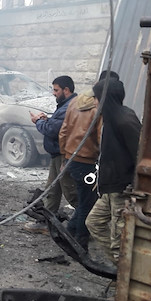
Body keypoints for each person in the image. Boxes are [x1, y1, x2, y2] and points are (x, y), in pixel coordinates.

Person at [86, 78, 141, 262]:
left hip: (121, 190)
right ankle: (119, 270)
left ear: (105, 98)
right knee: (93, 223)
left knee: (119, 243)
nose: (94, 101)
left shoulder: (125, 120)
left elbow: (139, 156)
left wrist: (133, 187)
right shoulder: (108, 119)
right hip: (108, 189)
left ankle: (123, 281)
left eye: (97, 97)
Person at [25, 76, 79, 234]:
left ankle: (87, 225)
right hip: (57, 154)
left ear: (66, 90)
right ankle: (47, 223)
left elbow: (53, 130)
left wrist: (38, 122)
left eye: (56, 90)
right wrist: (47, 119)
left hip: (64, 155)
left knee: (71, 192)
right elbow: (57, 125)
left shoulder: (69, 106)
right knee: (52, 189)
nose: (53, 93)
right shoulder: (65, 105)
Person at [59, 82, 103, 251]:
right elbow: (100, 137)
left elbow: (63, 131)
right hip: (87, 160)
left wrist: (65, 156)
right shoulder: (99, 107)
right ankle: (79, 242)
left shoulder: (74, 101)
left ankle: (70, 233)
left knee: (85, 200)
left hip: (72, 158)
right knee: (87, 204)